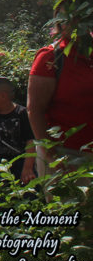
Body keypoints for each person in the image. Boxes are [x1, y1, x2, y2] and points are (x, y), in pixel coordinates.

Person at [27, 22, 93, 175]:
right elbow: (35, 110)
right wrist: (52, 156)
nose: (72, 23)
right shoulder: (51, 58)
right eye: (65, 18)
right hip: (65, 155)